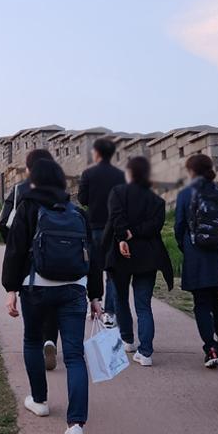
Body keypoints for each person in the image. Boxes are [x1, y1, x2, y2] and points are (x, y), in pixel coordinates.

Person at [1, 158, 102, 434]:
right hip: (74, 290)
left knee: (33, 341)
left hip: (37, 287)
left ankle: (40, 400)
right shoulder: (77, 213)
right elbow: (91, 258)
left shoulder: (28, 208)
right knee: (73, 356)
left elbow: (15, 250)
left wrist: (11, 289)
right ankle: (76, 423)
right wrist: (95, 295)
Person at [104, 157, 174, 367]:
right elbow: (155, 226)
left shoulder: (117, 192)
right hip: (148, 256)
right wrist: (133, 233)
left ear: (129, 173)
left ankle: (127, 339)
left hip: (121, 254)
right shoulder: (157, 201)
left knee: (121, 299)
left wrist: (123, 238)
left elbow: (116, 218)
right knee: (144, 306)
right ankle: (146, 353)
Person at [0, 149, 61, 370]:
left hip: (29, 265)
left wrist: (16, 243)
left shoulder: (19, 190)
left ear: (28, 168)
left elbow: (3, 221)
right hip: (57, 261)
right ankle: (50, 340)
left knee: (33, 316)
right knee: (53, 306)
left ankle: (38, 392)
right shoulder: (60, 192)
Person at [174, 154, 218, 368]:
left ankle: (211, 348)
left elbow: (179, 226)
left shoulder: (186, 194)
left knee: (201, 304)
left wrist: (186, 247)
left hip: (197, 255)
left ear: (191, 171)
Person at [78, 138, 126, 329]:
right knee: (112, 272)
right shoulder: (120, 175)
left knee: (93, 268)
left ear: (96, 153)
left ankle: (94, 303)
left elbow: (82, 199)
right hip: (113, 227)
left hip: (94, 226)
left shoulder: (88, 173)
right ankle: (110, 312)